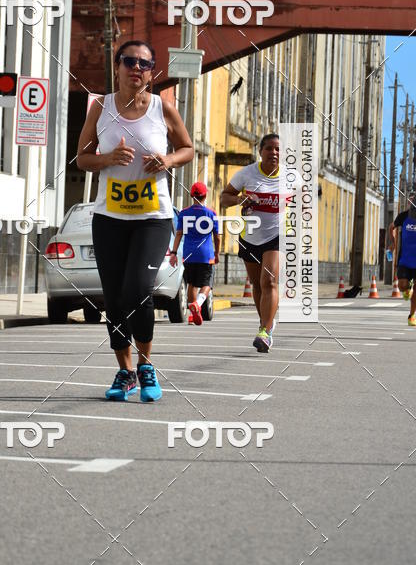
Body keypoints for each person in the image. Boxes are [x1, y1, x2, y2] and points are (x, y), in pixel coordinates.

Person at [76, 40, 194, 400]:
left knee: (139, 289)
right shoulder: (101, 107)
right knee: (114, 298)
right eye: (129, 61)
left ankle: (146, 365)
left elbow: (188, 148)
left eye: (145, 64)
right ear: (117, 67)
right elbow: (82, 158)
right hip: (109, 217)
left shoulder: (162, 108)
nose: (136, 69)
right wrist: (108, 158)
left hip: (152, 218)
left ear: (151, 72)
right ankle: (125, 371)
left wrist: (168, 160)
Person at [220, 133, 280, 352]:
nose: (274, 153)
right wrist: (238, 199)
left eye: (278, 149)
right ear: (261, 151)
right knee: (257, 284)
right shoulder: (247, 174)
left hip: (278, 235)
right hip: (250, 235)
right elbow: (224, 198)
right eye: (269, 148)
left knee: (269, 281)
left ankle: (265, 331)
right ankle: (266, 322)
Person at [169, 181, 219, 325]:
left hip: (189, 254)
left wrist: (174, 252)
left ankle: (192, 316)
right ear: (205, 195)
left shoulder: (184, 213)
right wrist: (217, 253)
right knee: (207, 284)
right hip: (205, 255)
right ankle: (198, 303)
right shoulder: (211, 213)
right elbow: (217, 237)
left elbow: (179, 234)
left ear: (192, 196)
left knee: (191, 283)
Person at [388, 191, 416, 325]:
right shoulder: (403, 216)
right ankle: (407, 289)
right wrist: (392, 243)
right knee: (402, 286)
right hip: (405, 260)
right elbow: (391, 227)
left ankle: (412, 316)